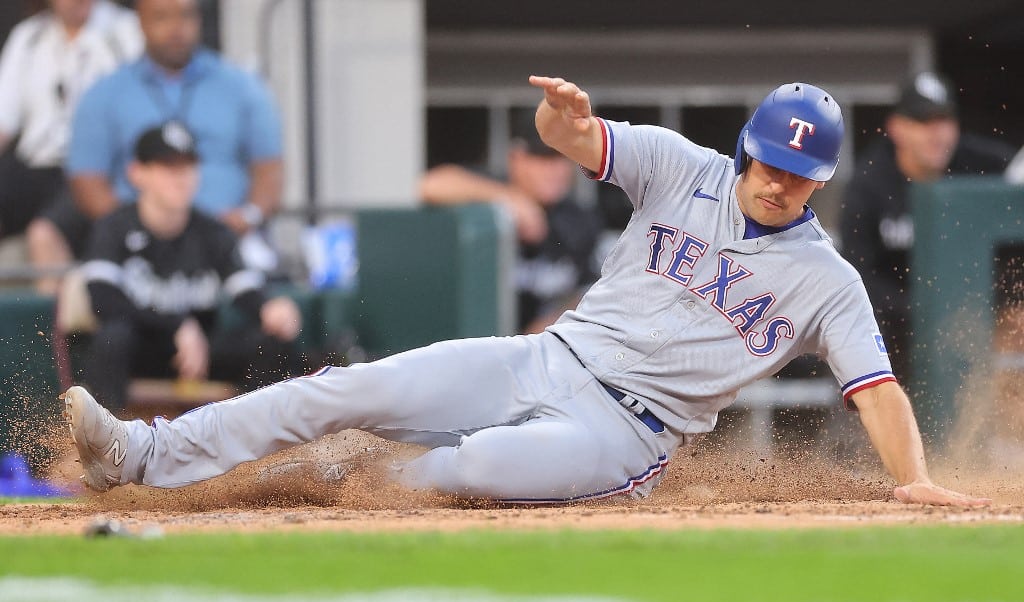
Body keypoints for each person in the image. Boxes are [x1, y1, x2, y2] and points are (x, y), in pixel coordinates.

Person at [61, 75, 989, 508]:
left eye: (802, 172)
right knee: (343, 389)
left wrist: (914, 479)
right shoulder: (682, 167)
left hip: (628, 429)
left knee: (473, 471)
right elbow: (572, 141)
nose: (782, 181)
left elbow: (878, 390)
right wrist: (563, 117)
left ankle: (320, 488)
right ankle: (141, 455)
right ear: (748, 146)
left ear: (821, 179)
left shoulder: (828, 282)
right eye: (773, 161)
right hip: (546, 357)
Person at [47, 0, 284, 281]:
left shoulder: (241, 86)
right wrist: (135, 228)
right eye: (161, 17)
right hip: (138, 249)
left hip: (226, 239)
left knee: (267, 300)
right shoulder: (105, 94)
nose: (176, 28)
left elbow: (270, 169)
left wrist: (248, 216)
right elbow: (87, 181)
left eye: (185, 15)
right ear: (140, 23)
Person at [77, 121, 302, 414]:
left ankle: (258, 444)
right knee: (113, 337)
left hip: (201, 353)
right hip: (143, 348)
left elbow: (243, 288)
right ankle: (106, 447)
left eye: (188, 166)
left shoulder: (212, 232)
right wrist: (176, 324)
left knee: (273, 342)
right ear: (138, 173)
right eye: (167, 167)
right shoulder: (113, 228)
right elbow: (103, 301)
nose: (180, 178)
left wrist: (269, 309)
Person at [839, 71, 1016, 382]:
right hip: (894, 324)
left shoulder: (979, 160)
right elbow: (857, 275)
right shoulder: (869, 183)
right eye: (923, 122)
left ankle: (997, 428)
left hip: (969, 320)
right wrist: (925, 310)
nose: (938, 133)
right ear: (896, 128)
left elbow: (1018, 172)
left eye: (945, 121)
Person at [419, 111, 605, 333]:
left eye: (562, 158)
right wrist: (510, 199)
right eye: (543, 158)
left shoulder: (580, 220)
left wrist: (557, 320)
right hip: (469, 341)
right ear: (517, 158)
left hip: (536, 351)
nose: (555, 169)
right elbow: (430, 185)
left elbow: (590, 290)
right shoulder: (493, 188)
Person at [0, 0, 141, 292]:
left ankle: (49, 334)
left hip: (95, 168)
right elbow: (4, 122)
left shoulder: (126, 30)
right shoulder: (28, 37)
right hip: (35, 163)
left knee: (45, 233)